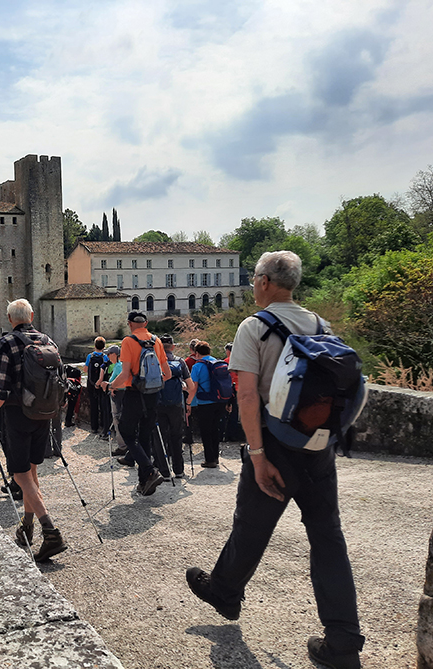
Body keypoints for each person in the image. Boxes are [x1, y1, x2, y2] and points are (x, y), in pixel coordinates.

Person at [185, 251, 365, 669]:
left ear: (266, 281)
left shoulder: (255, 328)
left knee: (251, 526)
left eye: (254, 278)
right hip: (319, 448)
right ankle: (342, 641)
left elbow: (247, 396)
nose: (252, 285)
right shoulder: (321, 325)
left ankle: (225, 593)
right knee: (327, 538)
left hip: (275, 444)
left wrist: (258, 454)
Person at [0, 298, 67, 562]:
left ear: (9, 319)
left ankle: (50, 531)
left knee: (20, 475)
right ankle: (26, 527)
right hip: (44, 413)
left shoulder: (7, 343)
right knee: (31, 471)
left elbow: (1, 388)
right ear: (30, 315)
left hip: (17, 415)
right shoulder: (46, 340)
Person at [111, 311, 170, 496]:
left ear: (129, 324)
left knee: (128, 433)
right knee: (145, 437)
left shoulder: (128, 341)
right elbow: (166, 374)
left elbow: (125, 373)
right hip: (153, 395)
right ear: (145, 323)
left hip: (134, 394)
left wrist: (111, 386)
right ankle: (144, 483)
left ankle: (150, 470)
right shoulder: (157, 341)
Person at [156, 335, 194, 478]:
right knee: (176, 437)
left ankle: (164, 472)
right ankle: (179, 471)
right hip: (176, 405)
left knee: (160, 438)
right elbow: (191, 386)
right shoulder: (180, 362)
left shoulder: (155, 362)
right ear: (172, 346)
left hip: (158, 404)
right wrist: (182, 388)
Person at [187, 341, 225, 469]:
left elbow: (193, 387)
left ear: (196, 353)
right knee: (215, 429)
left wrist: (188, 403)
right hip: (219, 401)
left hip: (204, 402)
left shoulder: (198, 366)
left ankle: (209, 460)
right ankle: (216, 457)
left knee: (205, 431)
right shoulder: (217, 363)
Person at [83, 337, 109, 436]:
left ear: (94, 346)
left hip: (91, 384)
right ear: (104, 346)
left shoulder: (90, 356)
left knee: (93, 406)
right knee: (103, 406)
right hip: (102, 384)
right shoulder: (105, 357)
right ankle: (103, 425)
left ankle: (94, 427)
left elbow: (85, 369)